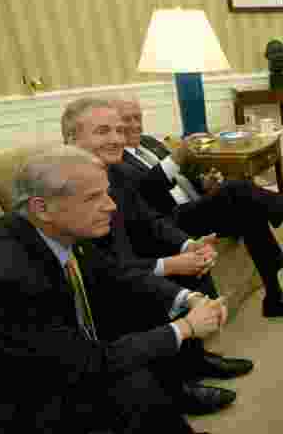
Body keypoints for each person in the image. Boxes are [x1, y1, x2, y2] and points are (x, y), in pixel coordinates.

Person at [0, 146, 225, 434]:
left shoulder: (54, 231)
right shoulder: (7, 277)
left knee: (141, 342)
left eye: (107, 194)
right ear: (41, 207)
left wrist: (187, 299)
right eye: (93, 198)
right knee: (132, 384)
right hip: (2, 406)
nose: (111, 206)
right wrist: (186, 328)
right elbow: (90, 364)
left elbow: (118, 276)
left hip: (48, 362)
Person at [62, 98, 244, 415]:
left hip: (126, 261)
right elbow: (106, 268)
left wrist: (188, 245)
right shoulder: (67, 189)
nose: (118, 138)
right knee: (146, 292)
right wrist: (170, 266)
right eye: (103, 131)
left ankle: (194, 363)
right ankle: (176, 393)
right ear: (71, 140)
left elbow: (149, 220)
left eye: (119, 129)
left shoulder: (114, 171)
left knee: (196, 257)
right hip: (94, 290)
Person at [114, 96, 283, 320]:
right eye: (127, 119)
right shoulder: (116, 160)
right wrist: (177, 157)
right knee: (237, 189)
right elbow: (146, 194)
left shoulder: (149, 143)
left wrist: (203, 184)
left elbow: (181, 177)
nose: (136, 124)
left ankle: (275, 296)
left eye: (138, 117)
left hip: (191, 208)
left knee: (248, 209)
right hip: (168, 225)